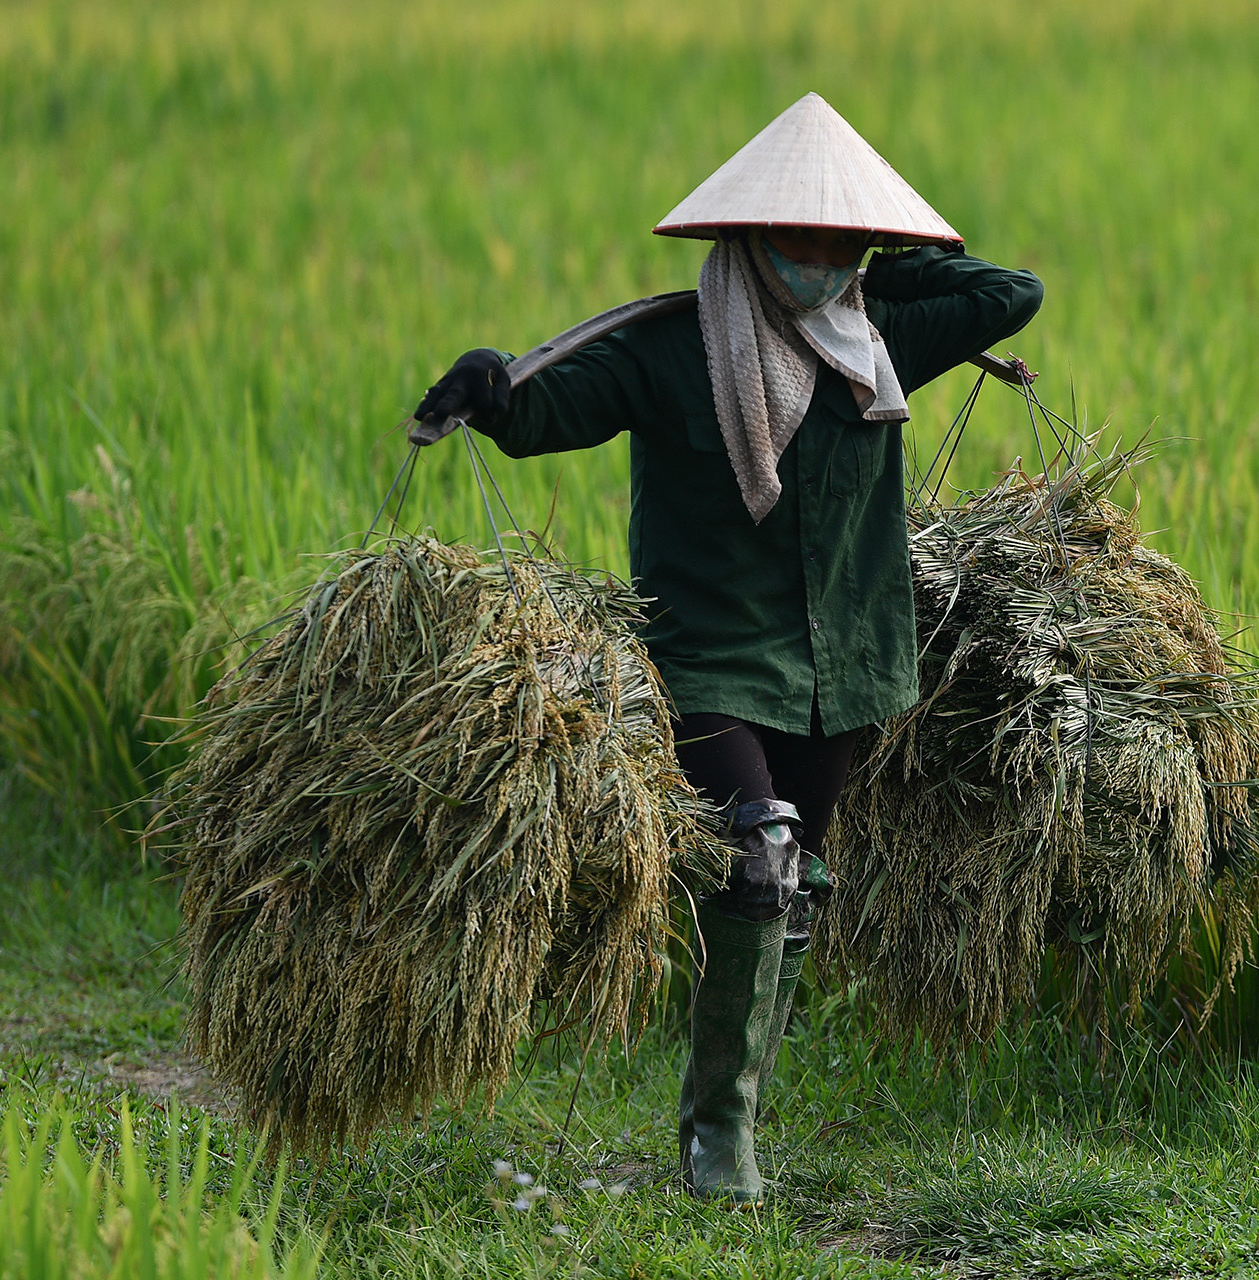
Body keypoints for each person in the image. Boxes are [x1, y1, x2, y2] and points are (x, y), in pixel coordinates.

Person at [411, 92, 1042, 1205]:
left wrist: (886, 269)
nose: (820, 259)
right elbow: (555, 403)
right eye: (800, 237)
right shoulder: (672, 347)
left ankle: (736, 1100)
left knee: (795, 884)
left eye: (843, 238)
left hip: (842, 660)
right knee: (757, 851)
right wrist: (492, 389)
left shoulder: (878, 340)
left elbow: (1010, 294)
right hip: (709, 656)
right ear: (745, 238)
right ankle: (719, 1140)